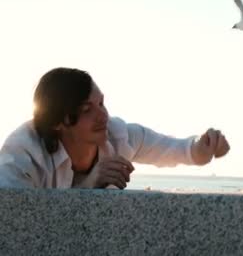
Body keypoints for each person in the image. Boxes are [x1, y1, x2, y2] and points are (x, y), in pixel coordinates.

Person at [0, 67, 230, 189]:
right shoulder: (22, 153)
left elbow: (175, 149)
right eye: (86, 110)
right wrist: (90, 186)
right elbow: (17, 226)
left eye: (101, 103)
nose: (103, 116)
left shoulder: (119, 136)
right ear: (57, 122)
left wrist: (203, 149)